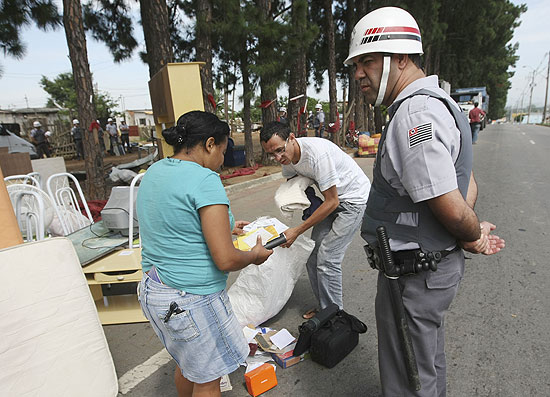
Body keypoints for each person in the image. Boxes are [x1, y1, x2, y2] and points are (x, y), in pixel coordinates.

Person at [345, 7, 505, 396]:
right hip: (427, 269)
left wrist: (468, 234)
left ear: (401, 58)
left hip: (415, 275)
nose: (357, 74)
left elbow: (449, 202)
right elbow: (467, 181)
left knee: (409, 378)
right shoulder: (437, 103)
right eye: (355, 64)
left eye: (367, 60)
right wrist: (468, 230)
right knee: (426, 362)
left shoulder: (415, 114)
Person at [137, 110, 273, 397]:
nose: (223, 161)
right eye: (223, 151)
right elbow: (225, 259)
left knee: (189, 366)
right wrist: (255, 256)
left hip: (155, 290)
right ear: (210, 144)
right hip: (192, 298)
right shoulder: (204, 179)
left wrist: (226, 226)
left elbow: (174, 222)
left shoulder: (156, 171)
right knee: (209, 380)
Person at [260, 121, 370, 318]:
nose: (278, 157)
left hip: (353, 201)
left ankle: (337, 319)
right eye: (271, 154)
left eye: (280, 150)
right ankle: (326, 309)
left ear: (292, 138)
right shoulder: (288, 159)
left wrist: (296, 230)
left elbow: (332, 202)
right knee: (313, 257)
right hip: (332, 200)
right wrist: (308, 201)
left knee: (328, 258)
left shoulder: (318, 154)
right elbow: (293, 181)